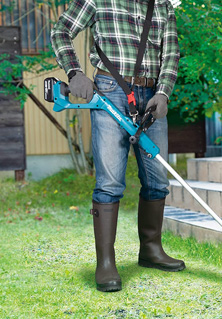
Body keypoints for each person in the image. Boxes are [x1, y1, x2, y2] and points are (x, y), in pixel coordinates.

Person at [50, 0, 185, 293]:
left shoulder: (163, 6)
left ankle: (151, 250)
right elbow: (61, 30)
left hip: (151, 97)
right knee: (110, 182)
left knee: (157, 180)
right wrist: (75, 73)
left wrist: (163, 93)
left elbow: (171, 54)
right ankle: (106, 263)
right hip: (110, 90)